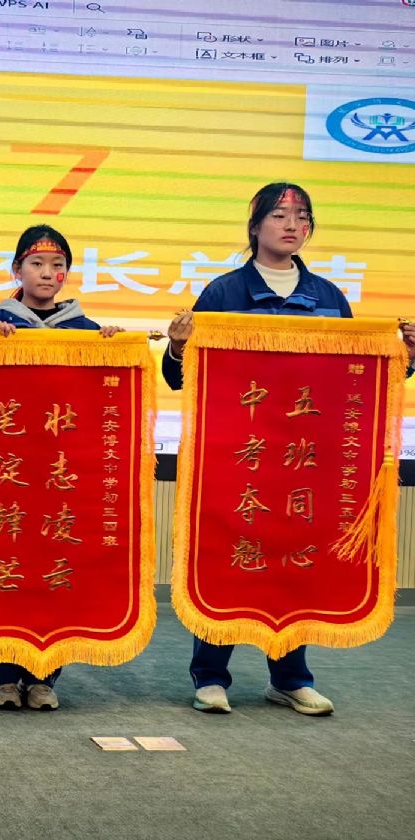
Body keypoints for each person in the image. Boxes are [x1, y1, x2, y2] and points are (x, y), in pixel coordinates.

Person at [164, 182, 415, 717]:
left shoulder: (329, 297)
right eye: (279, 215)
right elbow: (180, 378)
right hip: (240, 458)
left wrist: (406, 358)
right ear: (255, 226)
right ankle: (211, 677)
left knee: (296, 565)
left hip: (305, 459)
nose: (292, 225)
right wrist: (180, 346)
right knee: (228, 561)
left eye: (302, 217)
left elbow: (355, 380)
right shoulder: (224, 293)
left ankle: (290, 678)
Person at [0, 224, 124, 712]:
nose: (47, 273)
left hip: (62, 477)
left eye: (57, 265)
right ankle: (2, 676)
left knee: (56, 574)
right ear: (16, 269)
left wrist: (111, 351)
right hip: (7, 474)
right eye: (36, 264)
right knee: (5, 574)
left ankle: (44, 676)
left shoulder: (85, 330)